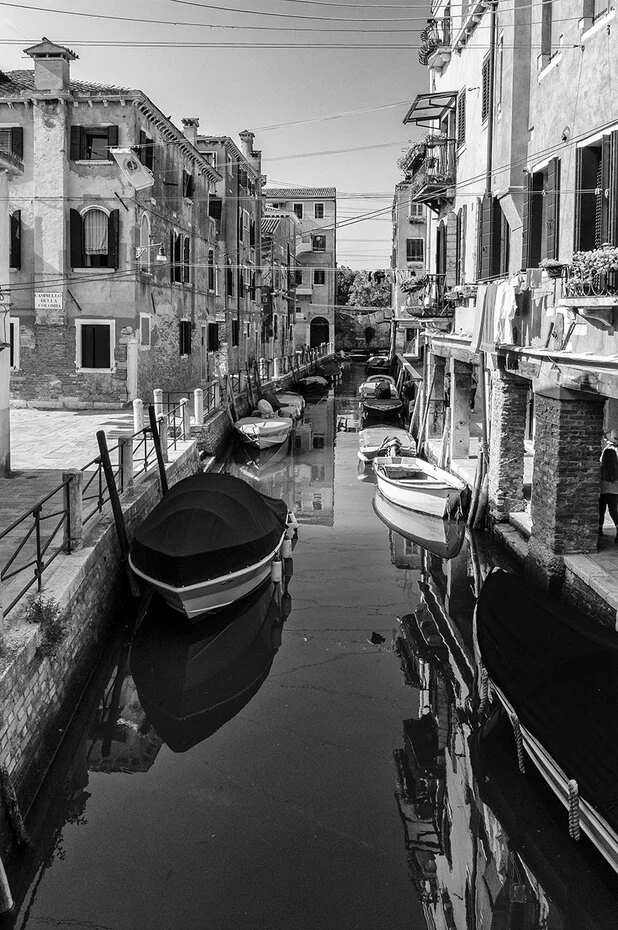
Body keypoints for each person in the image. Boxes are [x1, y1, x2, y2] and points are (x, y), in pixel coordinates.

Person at [599, 429, 618, 541]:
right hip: (615, 489)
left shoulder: (607, 450)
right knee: (613, 511)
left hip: (604, 489)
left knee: (601, 510)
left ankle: (599, 529)